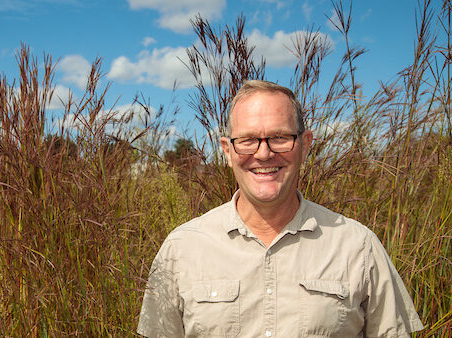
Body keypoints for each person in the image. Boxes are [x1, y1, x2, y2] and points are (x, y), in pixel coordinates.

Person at [137, 80, 423, 337]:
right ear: (227, 150)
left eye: (279, 138)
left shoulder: (358, 247)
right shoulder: (181, 249)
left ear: (305, 144)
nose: (264, 153)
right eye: (247, 140)